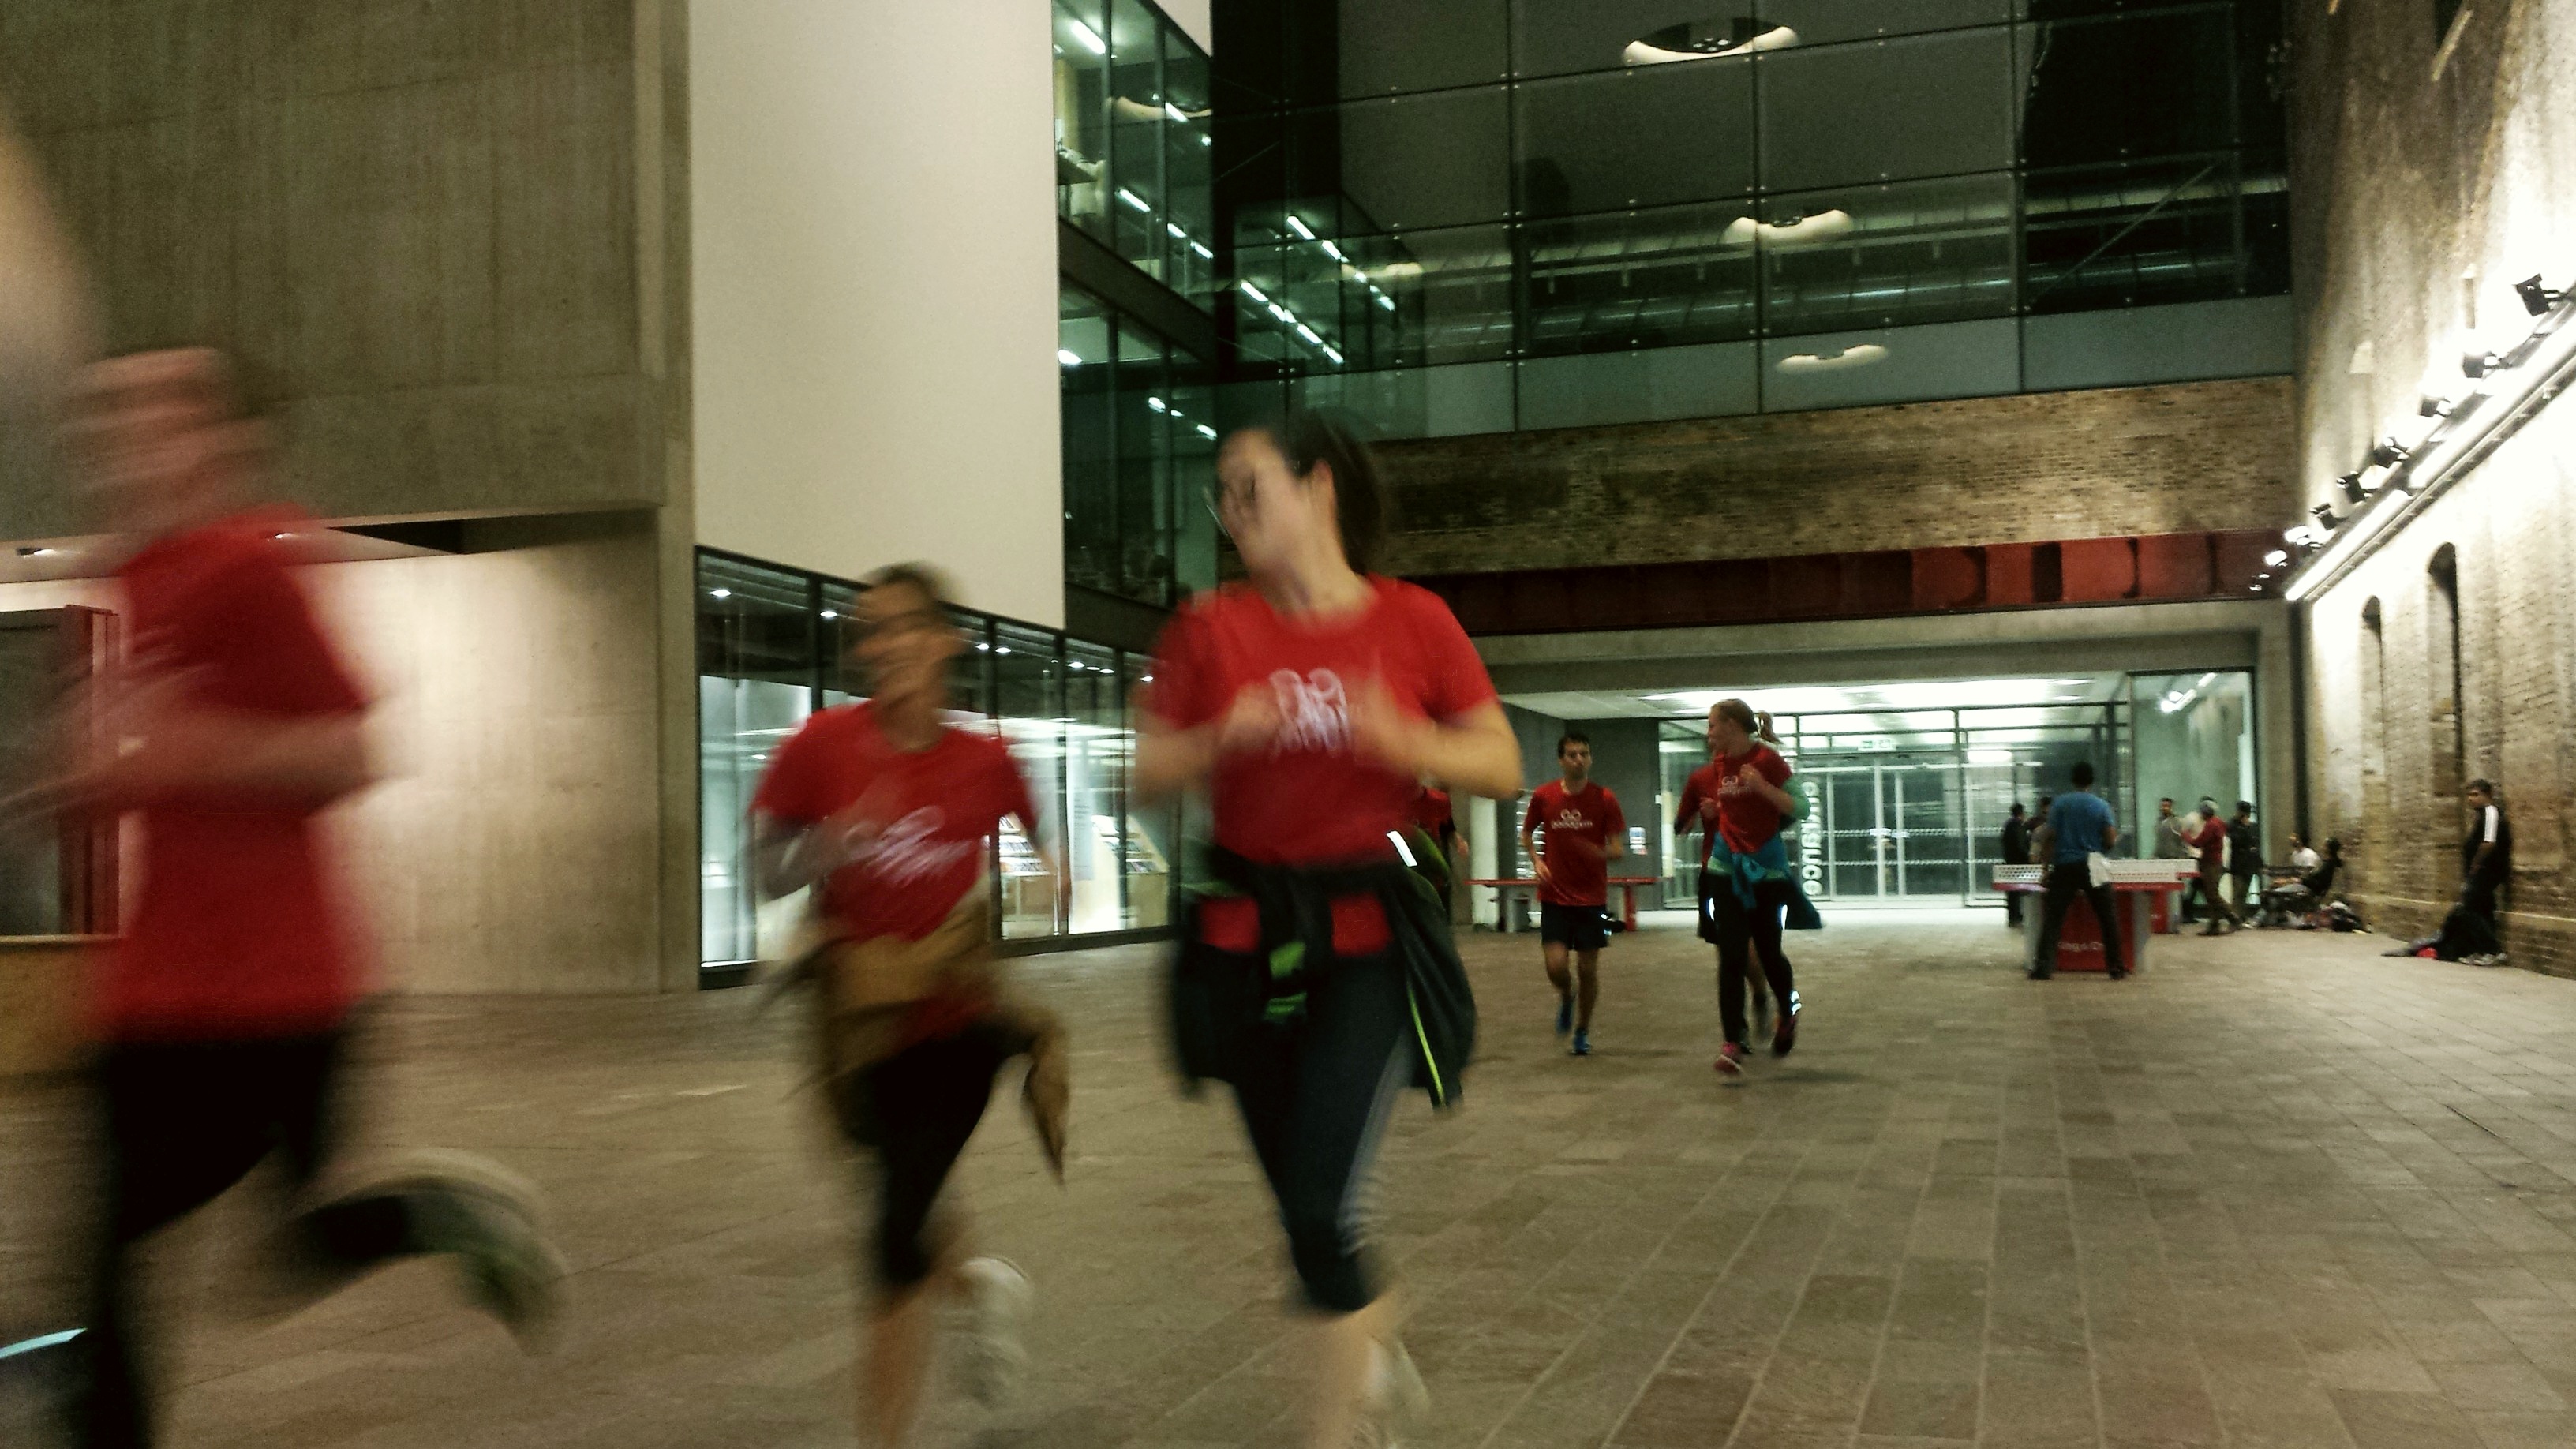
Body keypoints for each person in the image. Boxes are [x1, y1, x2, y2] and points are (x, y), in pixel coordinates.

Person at [40, 350, 563, 1449]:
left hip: (276, 993)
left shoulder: (251, 566)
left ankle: (442, 1213)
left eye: (163, 409)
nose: (131, 430)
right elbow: (132, 764)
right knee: (103, 1275)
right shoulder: (131, 578)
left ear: (227, 439)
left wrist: (192, 756)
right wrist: (79, 782)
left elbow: (355, 751)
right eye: (115, 410)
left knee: (284, 1250)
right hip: (153, 990)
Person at [1137, 414, 1521, 1449]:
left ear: (1319, 491)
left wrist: (1407, 737)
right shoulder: (1209, 628)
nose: (1232, 511)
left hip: (1372, 951)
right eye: (1223, 494)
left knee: (1320, 1211)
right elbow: (1147, 771)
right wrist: (1222, 734)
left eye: (1250, 486)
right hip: (1244, 953)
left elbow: (1501, 760)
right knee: (1307, 1229)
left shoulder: (1413, 620)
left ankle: (1331, 1431)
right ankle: (1367, 1347)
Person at [750, 561, 1071, 1448]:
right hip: (858, 1035)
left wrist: (1047, 885)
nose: (881, 646)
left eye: (900, 627)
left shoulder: (987, 759)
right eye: (869, 630)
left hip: (958, 1026)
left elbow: (1041, 864)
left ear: (945, 642)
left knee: (892, 1238)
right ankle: (979, 1287)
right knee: (908, 1197)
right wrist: (831, 842)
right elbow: (765, 872)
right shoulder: (819, 746)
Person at [1675, 701, 1811, 1076]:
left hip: (1765, 873)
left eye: (1713, 725)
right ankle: (1732, 1041)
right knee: (1731, 956)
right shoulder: (1718, 765)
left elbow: (1802, 808)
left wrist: (1762, 786)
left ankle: (1788, 1009)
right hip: (1725, 869)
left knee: (1769, 953)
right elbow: (1732, 809)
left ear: (1733, 725)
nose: (1709, 733)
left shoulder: (1767, 761)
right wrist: (1716, 814)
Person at [1520, 732, 1627, 1057]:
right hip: (1554, 896)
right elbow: (1527, 833)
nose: (1578, 759)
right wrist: (1537, 861)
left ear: (1590, 759)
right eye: (1571, 754)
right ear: (1561, 760)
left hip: (1591, 899)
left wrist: (1599, 853)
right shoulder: (1544, 796)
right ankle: (1567, 997)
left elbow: (1618, 849)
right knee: (1555, 967)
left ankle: (1582, 1030)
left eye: (1583, 753)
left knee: (1588, 969)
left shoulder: (1604, 798)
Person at [2030, 762, 2128, 981]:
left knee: (2054, 918)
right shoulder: (2101, 806)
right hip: (2093, 865)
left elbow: (2051, 838)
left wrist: (2046, 867)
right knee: (2108, 917)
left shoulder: (2060, 805)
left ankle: (2043, 967)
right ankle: (2116, 967)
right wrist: (2101, 849)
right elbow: (2111, 838)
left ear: (2073, 779)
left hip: (2065, 865)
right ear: (2091, 781)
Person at [1408, 781, 1462, 919]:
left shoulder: (1438, 801)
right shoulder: (1394, 802)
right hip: (1406, 855)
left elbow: (1447, 827)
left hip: (1431, 855)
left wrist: (1458, 842)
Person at [2188, 798, 2239, 934]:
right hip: (2215, 862)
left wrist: (2186, 836)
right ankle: (2214, 925)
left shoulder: (2211, 825)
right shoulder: (2219, 823)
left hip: (2211, 863)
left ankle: (2233, 918)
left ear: (2206, 813)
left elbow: (2199, 842)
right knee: (2210, 896)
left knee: (2213, 895)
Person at [2152, 797, 2196, 923]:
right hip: (2161, 859)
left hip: (2174, 859)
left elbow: (2182, 841)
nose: (2164, 808)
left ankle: (2181, 914)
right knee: (2163, 889)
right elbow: (2158, 841)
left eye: (2167, 806)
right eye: (2162, 806)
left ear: (2171, 807)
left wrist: (2183, 857)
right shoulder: (2158, 822)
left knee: (2177, 889)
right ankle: (2165, 914)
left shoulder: (2177, 822)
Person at [2226, 801, 2263, 924]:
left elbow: (2255, 842)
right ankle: (2235, 917)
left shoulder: (2253, 826)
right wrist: (2245, 829)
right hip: (2238, 864)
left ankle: (2241, 915)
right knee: (2238, 891)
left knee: (2244, 892)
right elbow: (2236, 840)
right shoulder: (2232, 825)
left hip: (2249, 864)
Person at [1998, 803, 2030, 926]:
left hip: (2010, 861)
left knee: (2012, 892)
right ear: (2022, 813)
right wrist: (2028, 858)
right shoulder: (2017, 826)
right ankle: (2016, 917)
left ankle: (2013, 917)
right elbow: (2021, 845)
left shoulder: (2008, 825)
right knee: (2016, 892)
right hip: (2018, 864)